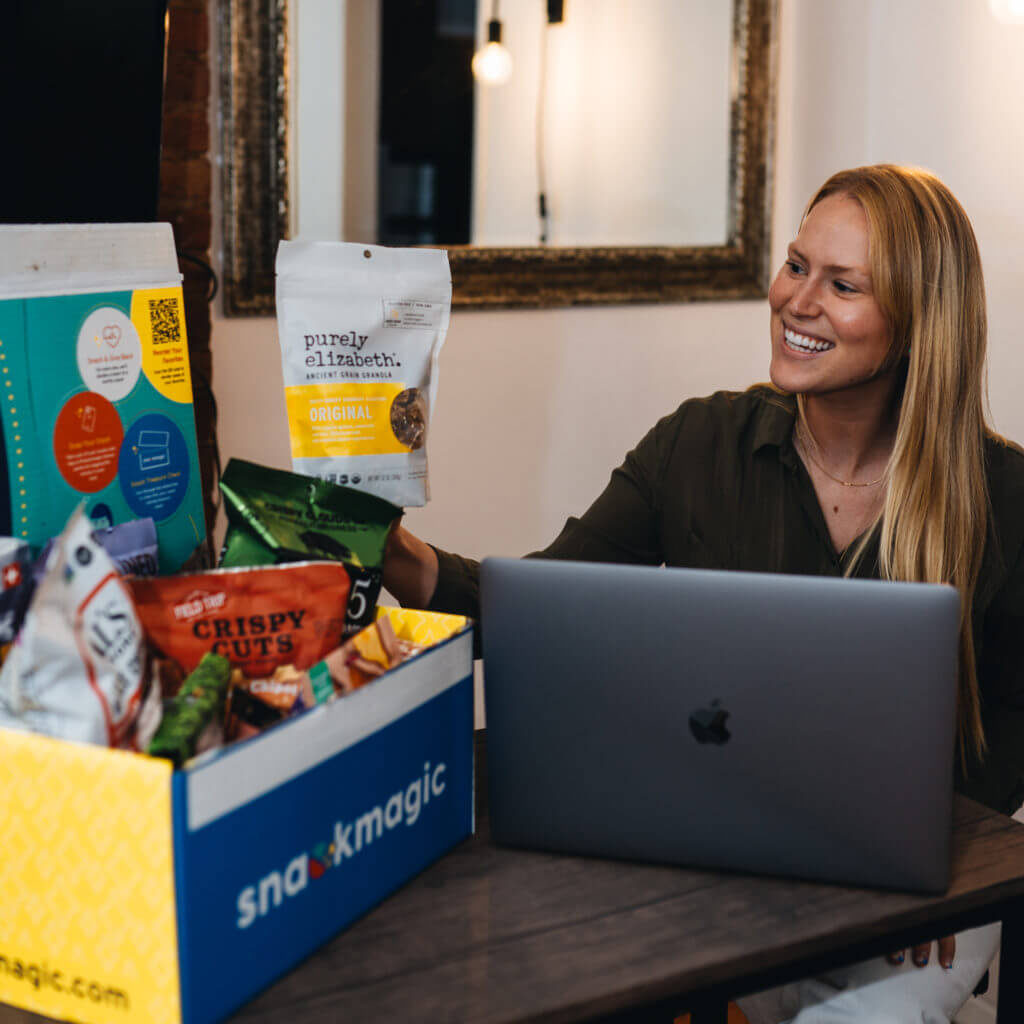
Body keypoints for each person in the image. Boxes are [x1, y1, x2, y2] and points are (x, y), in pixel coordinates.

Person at [383, 164, 1024, 1023]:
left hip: (927, 889)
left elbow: (1016, 718)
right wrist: (399, 557)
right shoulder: (699, 444)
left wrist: (956, 859)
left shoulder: (1003, 495)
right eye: (797, 265)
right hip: (744, 856)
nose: (798, 300)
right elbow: (540, 607)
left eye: (843, 285)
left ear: (917, 323)